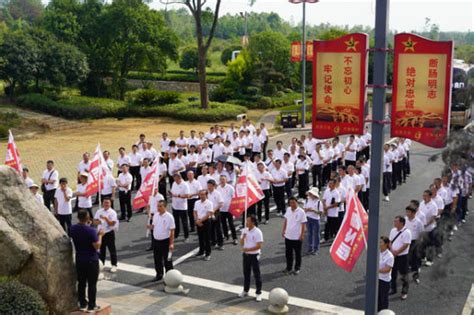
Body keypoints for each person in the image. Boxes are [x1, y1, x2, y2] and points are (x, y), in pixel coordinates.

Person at [70, 210, 104, 312]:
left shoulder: (73, 228)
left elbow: (80, 232)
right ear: (88, 218)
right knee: (92, 283)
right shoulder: (91, 231)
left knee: (81, 282)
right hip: (91, 259)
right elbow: (97, 246)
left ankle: (82, 303)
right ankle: (92, 305)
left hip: (80, 258)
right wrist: (101, 235)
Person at [238, 215, 263, 302]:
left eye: (248, 221)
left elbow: (259, 246)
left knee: (257, 274)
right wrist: (243, 237)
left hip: (254, 256)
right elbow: (241, 243)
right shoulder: (244, 230)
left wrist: (248, 249)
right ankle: (245, 290)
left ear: (252, 222)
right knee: (246, 273)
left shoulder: (258, 232)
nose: (246, 222)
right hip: (246, 255)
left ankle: (258, 293)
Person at [148, 200, 175, 281]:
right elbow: (154, 225)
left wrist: (171, 243)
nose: (158, 208)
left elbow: (172, 231)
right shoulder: (156, 215)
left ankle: (170, 277)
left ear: (165, 207)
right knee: (157, 259)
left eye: (160, 206)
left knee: (168, 260)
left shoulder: (169, 217)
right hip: (156, 241)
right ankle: (159, 274)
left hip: (165, 241)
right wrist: (150, 227)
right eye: (158, 206)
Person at [282, 197, 307, 275]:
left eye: (293, 202)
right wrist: (283, 230)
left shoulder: (301, 212)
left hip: (297, 237)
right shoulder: (288, 209)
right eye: (290, 203)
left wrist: (302, 235)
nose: (292, 204)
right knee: (288, 253)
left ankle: (297, 268)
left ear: (297, 202)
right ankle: (288, 267)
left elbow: (303, 224)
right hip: (288, 236)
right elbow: (286, 220)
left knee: (297, 253)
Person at [389, 216, 412, 300]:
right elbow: (390, 241)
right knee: (393, 273)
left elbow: (406, 244)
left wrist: (397, 252)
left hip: (402, 256)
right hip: (393, 255)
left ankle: (404, 291)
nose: (394, 223)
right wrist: (391, 250)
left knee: (404, 274)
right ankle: (393, 288)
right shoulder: (393, 230)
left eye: (396, 221)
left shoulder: (407, 232)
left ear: (401, 223)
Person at [94, 199, 119, 273]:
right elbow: (95, 221)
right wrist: (101, 221)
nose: (106, 204)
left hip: (109, 232)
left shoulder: (112, 212)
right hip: (100, 233)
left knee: (112, 249)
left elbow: (112, 223)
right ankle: (102, 264)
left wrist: (106, 219)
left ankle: (114, 265)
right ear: (102, 203)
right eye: (105, 203)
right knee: (102, 249)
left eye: (108, 203)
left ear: (110, 204)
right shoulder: (99, 211)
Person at [405, 206, 424, 284]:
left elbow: (421, 233)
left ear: (413, 213)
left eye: (408, 212)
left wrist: (418, 244)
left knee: (415, 260)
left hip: (414, 242)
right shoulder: (405, 219)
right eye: (406, 211)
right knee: (406, 259)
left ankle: (416, 276)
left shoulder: (418, 222)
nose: (407, 213)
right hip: (406, 242)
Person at [170, 173, 190, 242]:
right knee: (176, 221)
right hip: (175, 205)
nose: (175, 181)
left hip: (182, 207)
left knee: (184, 222)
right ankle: (176, 234)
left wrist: (178, 196)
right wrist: (170, 194)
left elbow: (187, 195)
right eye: (174, 179)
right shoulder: (174, 183)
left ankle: (186, 236)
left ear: (180, 178)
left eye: (176, 179)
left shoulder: (185, 185)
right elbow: (172, 192)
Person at [217, 175, 237, 245]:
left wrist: (234, 207)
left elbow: (234, 197)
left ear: (226, 180)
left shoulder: (230, 188)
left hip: (229, 209)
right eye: (221, 179)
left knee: (231, 224)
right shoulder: (218, 188)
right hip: (221, 209)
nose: (222, 181)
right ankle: (226, 236)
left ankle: (235, 238)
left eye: (223, 179)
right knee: (223, 224)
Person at [194, 190, 214, 260]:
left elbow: (209, 214)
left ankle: (208, 254)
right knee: (200, 238)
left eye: (203, 195)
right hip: (198, 221)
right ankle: (201, 251)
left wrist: (200, 221)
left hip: (206, 222)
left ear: (206, 195)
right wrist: (197, 220)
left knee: (207, 238)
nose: (201, 196)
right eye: (200, 195)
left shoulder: (209, 203)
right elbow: (195, 211)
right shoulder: (197, 202)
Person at [304, 187, 324, 255]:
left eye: (311, 193)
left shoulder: (319, 202)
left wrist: (313, 210)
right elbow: (304, 209)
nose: (310, 194)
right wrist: (307, 210)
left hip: (315, 219)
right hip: (308, 218)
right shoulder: (307, 200)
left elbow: (321, 213)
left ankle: (316, 249)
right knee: (310, 234)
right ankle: (310, 248)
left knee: (316, 234)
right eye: (310, 193)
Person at [378, 236, 394, 312]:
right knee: (377, 298)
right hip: (377, 279)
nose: (379, 243)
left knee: (383, 299)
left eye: (381, 242)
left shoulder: (390, 256)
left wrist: (376, 270)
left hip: (384, 280)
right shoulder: (377, 252)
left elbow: (388, 269)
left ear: (386, 244)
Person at [207, 179, 224, 250]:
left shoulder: (217, 193)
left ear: (214, 186)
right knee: (211, 228)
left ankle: (221, 243)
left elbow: (221, 204)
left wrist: (214, 210)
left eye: (210, 186)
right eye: (208, 186)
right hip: (208, 213)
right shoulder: (206, 193)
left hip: (216, 212)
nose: (209, 187)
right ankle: (213, 242)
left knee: (218, 228)